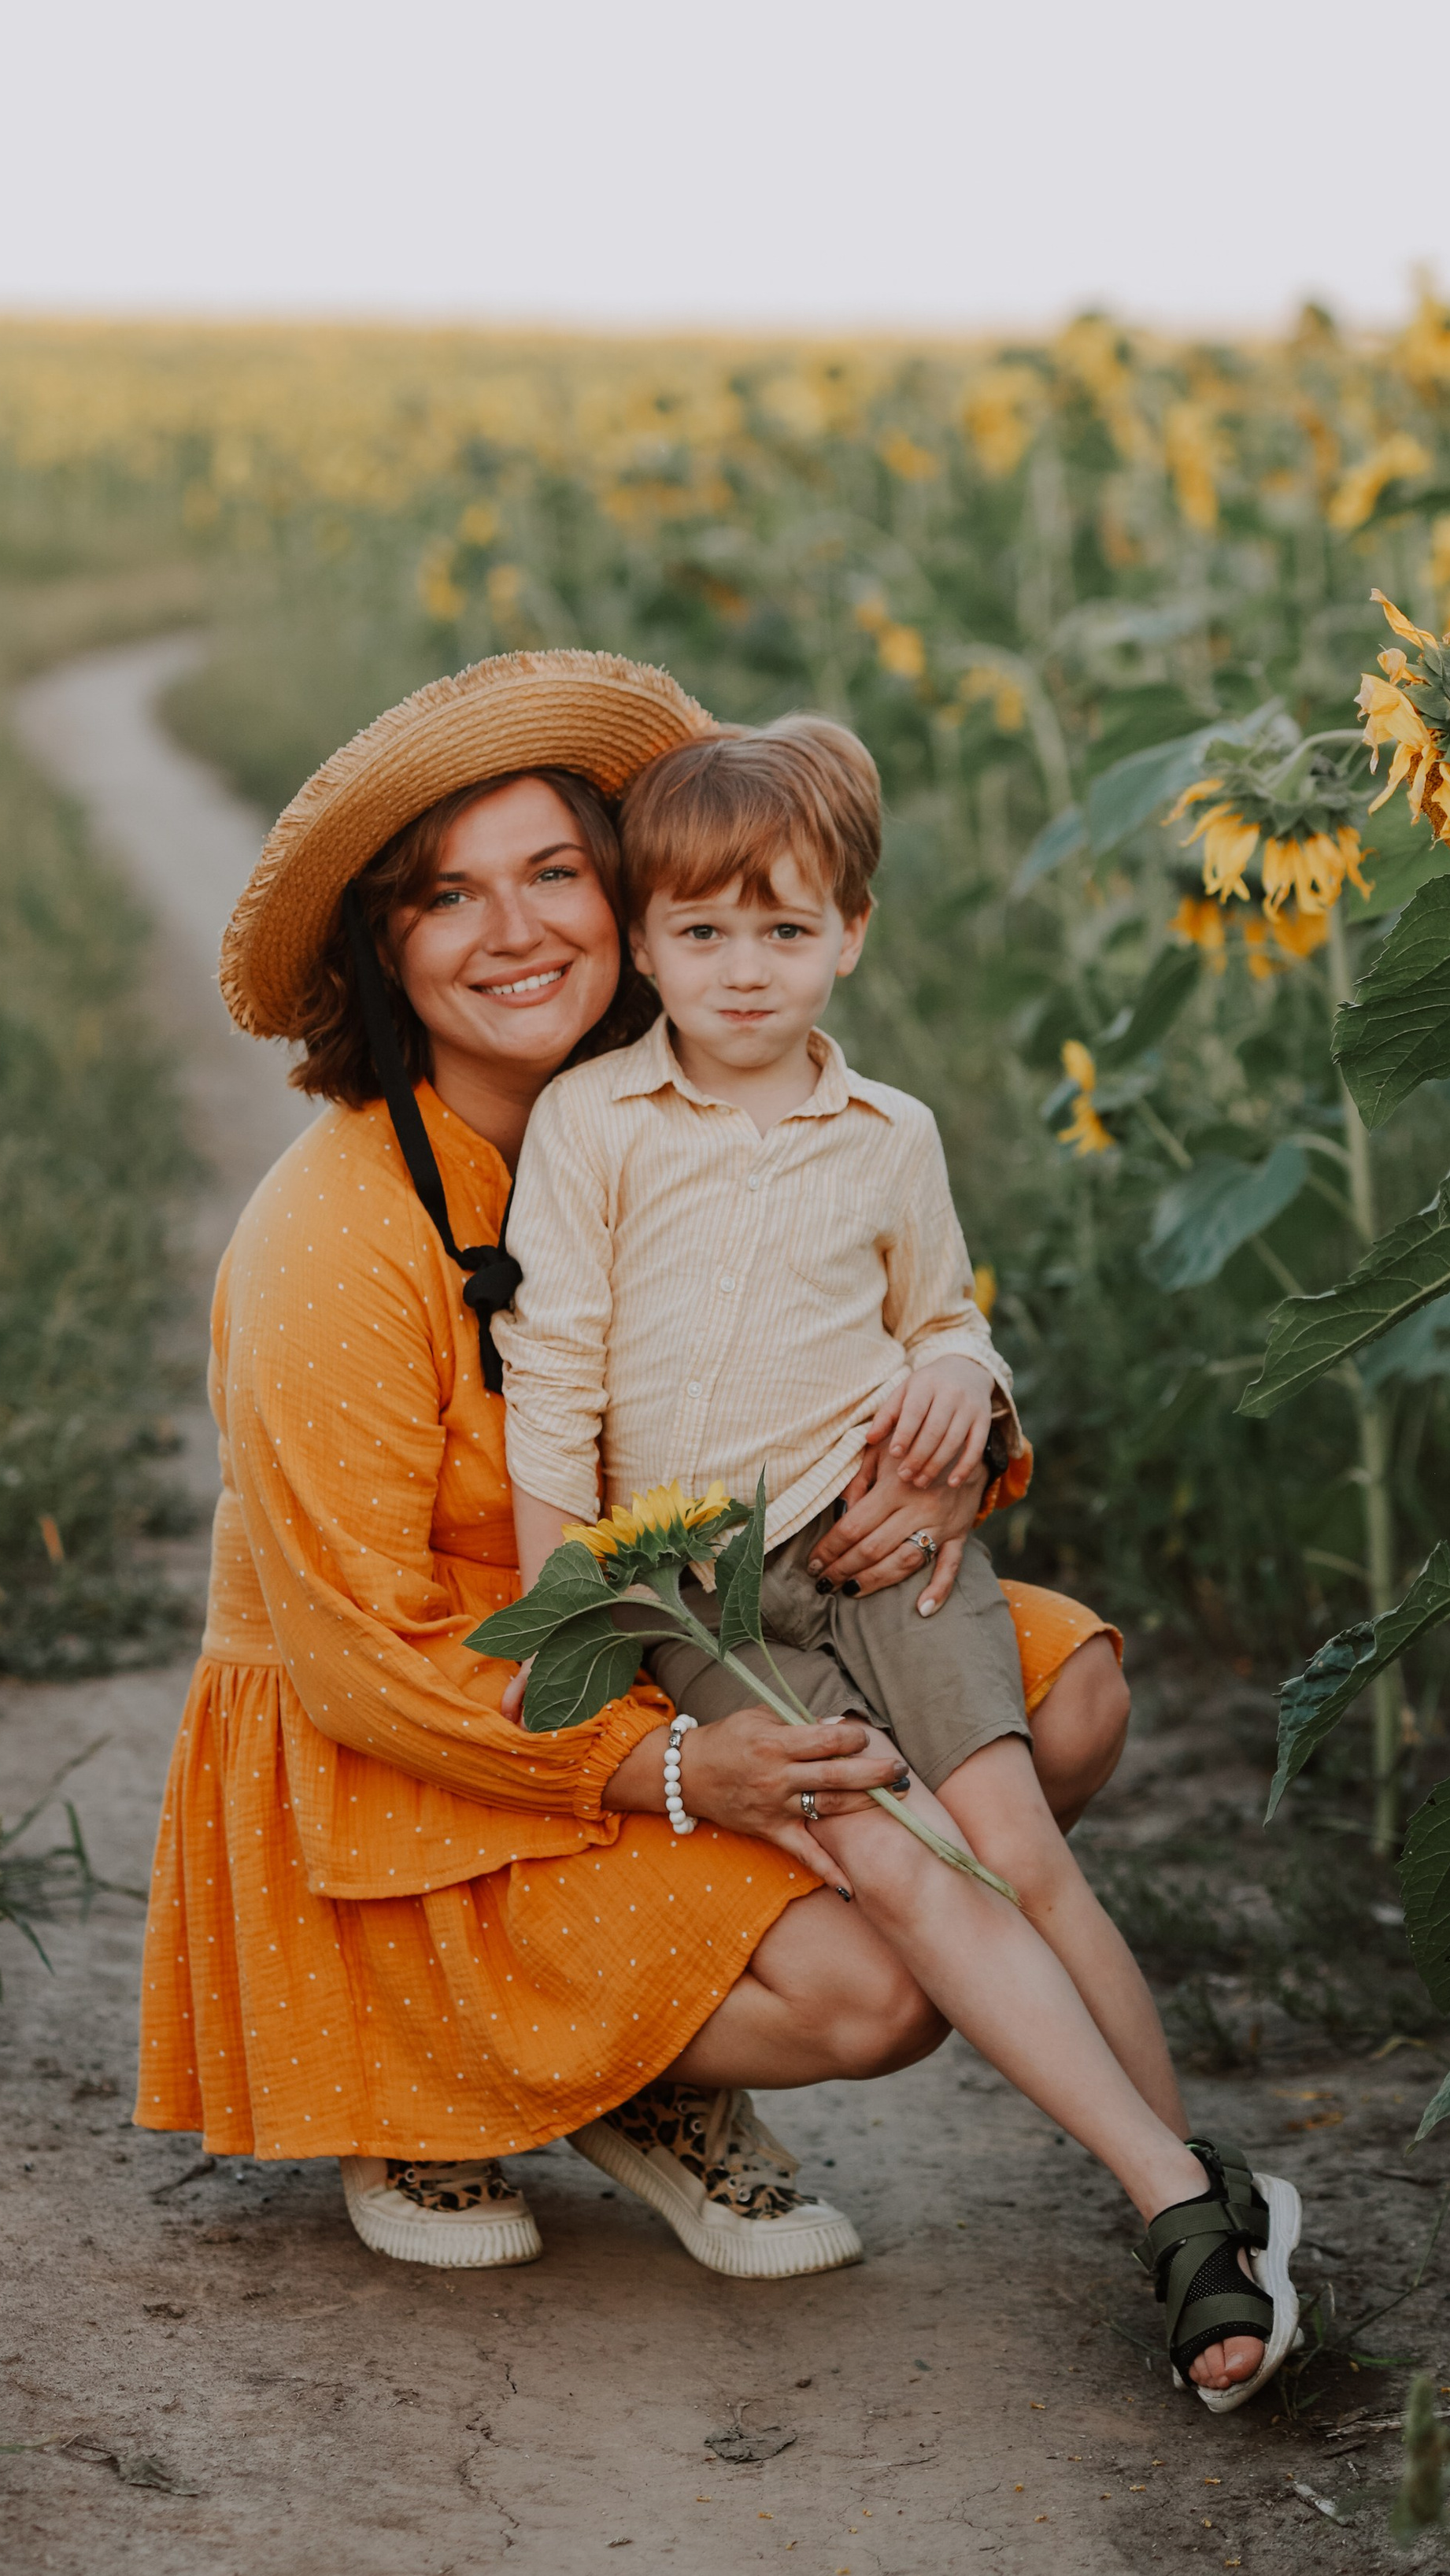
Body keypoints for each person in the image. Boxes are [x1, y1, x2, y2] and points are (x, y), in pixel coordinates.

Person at [132, 648, 1287, 2404]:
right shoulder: (334, 1239)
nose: (511, 930)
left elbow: (869, 1304)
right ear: (384, 949)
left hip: (722, 1608)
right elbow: (369, 1667)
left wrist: (958, 1433)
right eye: (445, 896)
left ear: (626, 903)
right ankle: (467, 2075)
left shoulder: (703, 1094)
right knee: (871, 1981)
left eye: (550, 875)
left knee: (1064, 1704)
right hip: (450, 1730)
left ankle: (1177, 2191)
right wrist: (672, 1775)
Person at [495, 715, 1197, 2178]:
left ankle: (1195, 2198)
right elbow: (553, 1375)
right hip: (705, 1592)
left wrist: (964, 1375)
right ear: (641, 944)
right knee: (899, 1852)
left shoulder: (890, 1132)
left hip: (884, 1552)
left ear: (851, 936)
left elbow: (940, 1316)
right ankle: (1166, 2189)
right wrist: (569, 1612)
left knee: (1017, 1849)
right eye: (699, 931)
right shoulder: (597, 1122)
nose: (743, 970)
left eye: (785, 929)